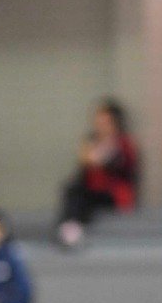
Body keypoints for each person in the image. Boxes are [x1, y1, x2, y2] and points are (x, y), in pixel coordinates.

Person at [58, 99, 140, 247]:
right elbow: (86, 162)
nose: (100, 124)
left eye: (105, 121)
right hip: (92, 191)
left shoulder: (123, 143)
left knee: (83, 196)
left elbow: (114, 164)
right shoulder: (92, 140)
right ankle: (70, 228)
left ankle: (73, 227)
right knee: (74, 190)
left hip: (114, 194)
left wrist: (99, 156)